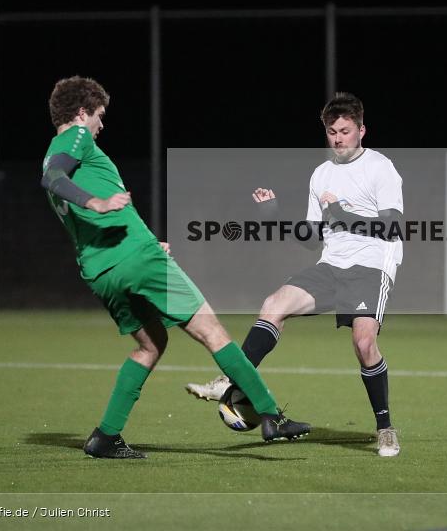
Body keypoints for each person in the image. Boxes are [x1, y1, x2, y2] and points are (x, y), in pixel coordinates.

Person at [40, 76, 310, 458]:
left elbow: (61, 183)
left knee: (150, 345)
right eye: (99, 115)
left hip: (102, 271)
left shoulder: (52, 150)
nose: (102, 124)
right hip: (137, 258)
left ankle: (105, 436)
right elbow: (52, 180)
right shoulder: (76, 138)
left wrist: (146, 238)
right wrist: (98, 205)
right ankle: (270, 415)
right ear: (81, 113)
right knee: (213, 332)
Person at [185, 92, 403, 457]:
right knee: (274, 304)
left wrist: (340, 213)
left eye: (346, 131)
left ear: (362, 130)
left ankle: (385, 429)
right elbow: (311, 239)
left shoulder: (381, 168)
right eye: (332, 131)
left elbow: (391, 226)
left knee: (364, 344)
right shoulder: (321, 175)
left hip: (371, 265)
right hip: (330, 265)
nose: (338, 138)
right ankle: (233, 379)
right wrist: (275, 214)